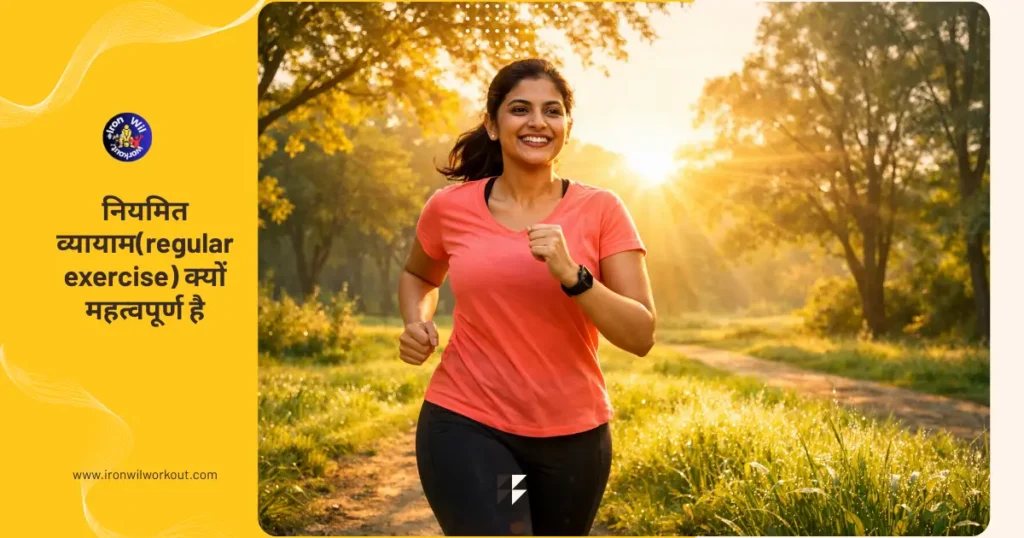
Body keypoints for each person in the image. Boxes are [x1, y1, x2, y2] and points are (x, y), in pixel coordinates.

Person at [398, 58, 656, 536]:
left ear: (566, 128)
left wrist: (574, 276)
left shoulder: (602, 210)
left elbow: (641, 334)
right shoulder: (450, 208)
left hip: (573, 436)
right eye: (520, 109)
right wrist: (417, 320)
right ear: (493, 126)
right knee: (503, 529)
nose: (538, 122)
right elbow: (419, 274)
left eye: (552, 111)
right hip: (475, 425)